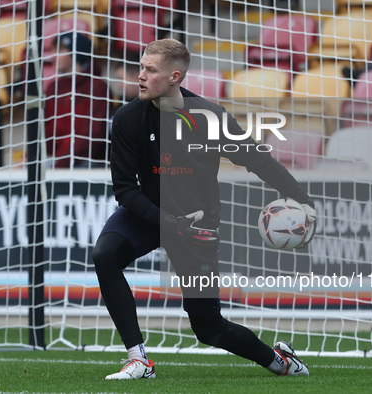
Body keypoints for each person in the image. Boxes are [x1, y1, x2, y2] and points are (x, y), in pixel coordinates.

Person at [92, 38, 317, 380]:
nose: (140, 76)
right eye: (141, 67)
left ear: (174, 77)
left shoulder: (211, 118)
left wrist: (302, 198)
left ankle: (281, 361)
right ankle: (138, 358)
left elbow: (257, 159)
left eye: (150, 70)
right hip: (148, 215)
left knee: (208, 328)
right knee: (105, 254)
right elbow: (125, 190)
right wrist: (165, 221)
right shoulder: (127, 119)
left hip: (196, 227)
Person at [44, 31, 110, 168]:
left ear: (75, 54)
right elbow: (45, 131)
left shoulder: (98, 88)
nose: (53, 56)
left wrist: (58, 163)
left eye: (60, 50)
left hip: (86, 163)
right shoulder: (53, 88)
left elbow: (92, 136)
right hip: (56, 161)